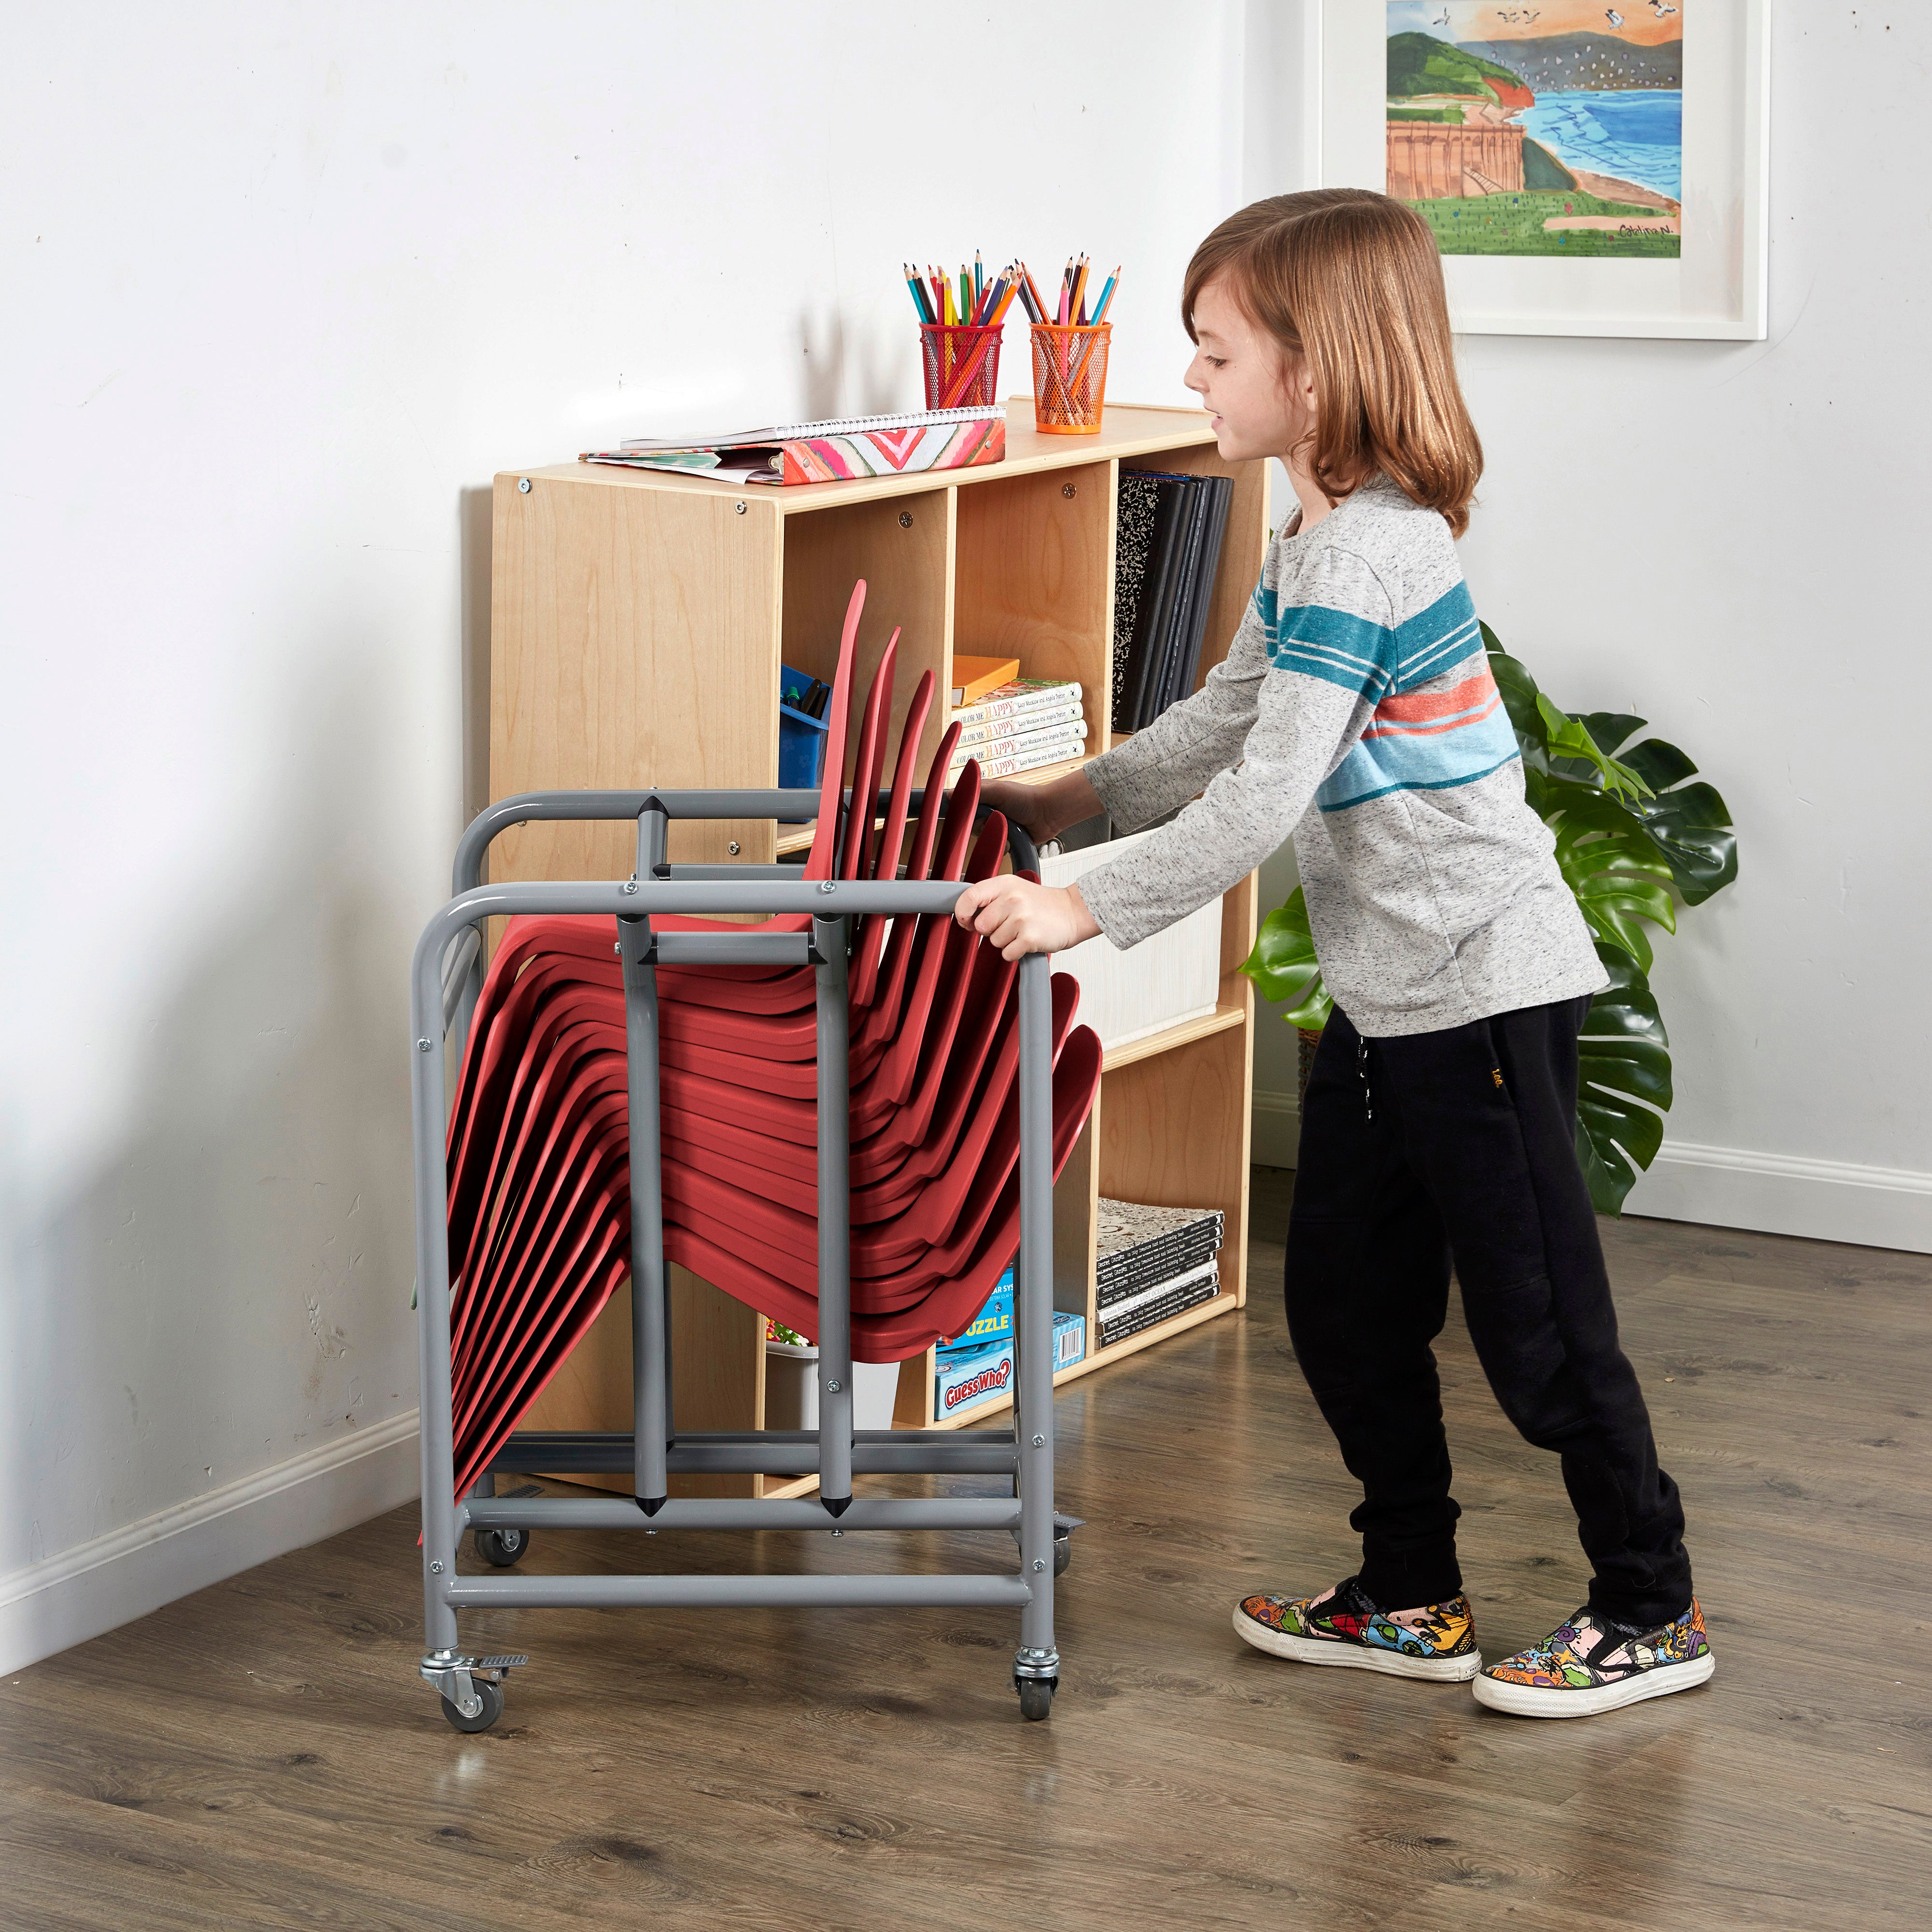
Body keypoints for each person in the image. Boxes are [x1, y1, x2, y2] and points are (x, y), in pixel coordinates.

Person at [952, 189, 1713, 1720]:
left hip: (1486, 988)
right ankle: (1411, 1592)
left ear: (1316, 370)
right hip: (1384, 996)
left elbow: (1265, 796)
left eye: (1215, 352)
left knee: (1543, 1331)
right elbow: (1213, 733)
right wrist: (1056, 798)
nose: (1196, 382)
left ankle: (1651, 1606)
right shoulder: (1311, 545)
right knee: (1351, 1309)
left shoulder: (1376, 553)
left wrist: (1077, 906)